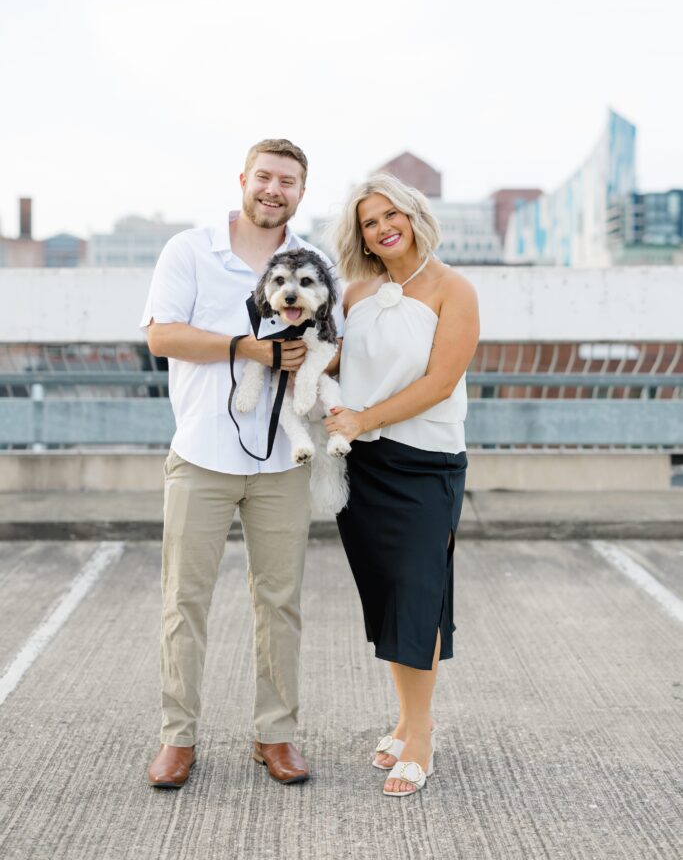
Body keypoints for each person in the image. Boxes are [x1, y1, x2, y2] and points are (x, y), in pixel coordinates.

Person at [140, 138, 343, 788]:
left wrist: (313, 360)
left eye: (287, 181)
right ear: (243, 180)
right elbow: (160, 335)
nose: (273, 189)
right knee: (184, 602)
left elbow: (335, 344)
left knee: (279, 603)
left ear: (300, 193)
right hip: (200, 454)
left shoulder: (313, 259)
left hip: (285, 457)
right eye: (264, 176)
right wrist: (250, 349)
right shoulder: (190, 250)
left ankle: (275, 736)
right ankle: (178, 739)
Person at [324, 173, 479, 798]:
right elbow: (333, 359)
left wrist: (364, 417)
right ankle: (406, 719)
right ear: (359, 235)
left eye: (392, 213)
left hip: (426, 463)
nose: (383, 226)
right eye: (369, 221)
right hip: (361, 465)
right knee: (389, 597)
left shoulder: (454, 288)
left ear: (414, 215)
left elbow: (440, 382)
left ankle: (421, 736)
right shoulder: (354, 292)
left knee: (419, 596)